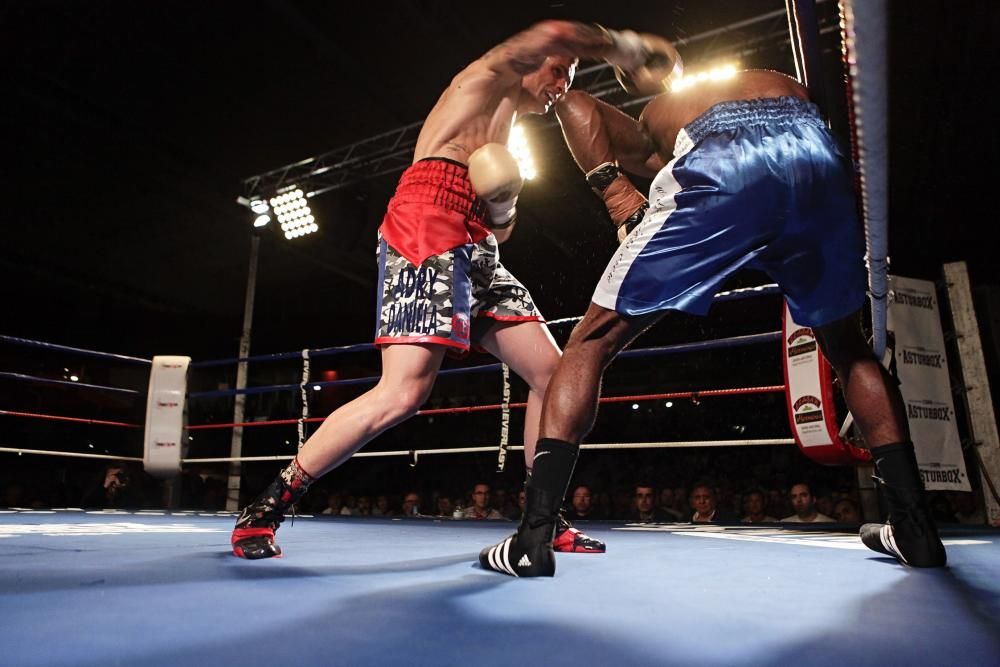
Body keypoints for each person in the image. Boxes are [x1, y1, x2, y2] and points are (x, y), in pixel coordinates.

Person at [480, 37, 946, 576]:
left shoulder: (657, 114)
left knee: (591, 341)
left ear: (636, 82)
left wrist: (615, 194)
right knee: (848, 348)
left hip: (724, 158)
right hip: (817, 157)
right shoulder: (765, 76)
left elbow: (576, 104)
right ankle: (915, 528)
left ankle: (533, 538)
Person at [228, 21, 662, 559]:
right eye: (561, 69)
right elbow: (554, 31)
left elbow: (501, 232)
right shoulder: (485, 77)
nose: (562, 85)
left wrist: (503, 204)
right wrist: (626, 47)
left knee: (554, 376)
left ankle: (541, 520)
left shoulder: (505, 136)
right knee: (405, 392)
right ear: (541, 57)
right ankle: (268, 506)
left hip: (477, 239)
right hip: (427, 218)